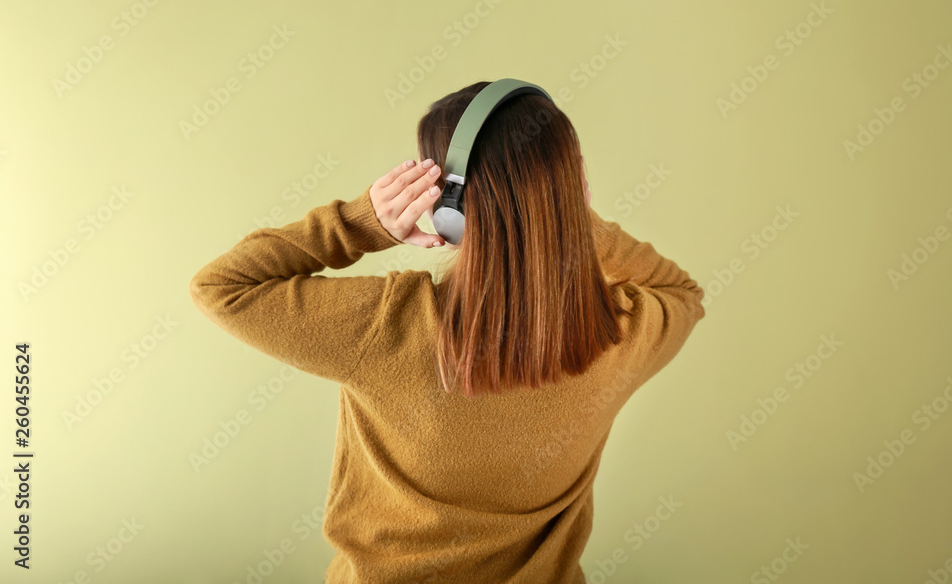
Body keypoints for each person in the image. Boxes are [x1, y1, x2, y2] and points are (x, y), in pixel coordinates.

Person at [189, 80, 706, 583]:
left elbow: (222, 287)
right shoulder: (622, 332)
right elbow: (682, 293)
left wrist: (362, 222)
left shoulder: (389, 323)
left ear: (448, 209)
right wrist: (562, 213)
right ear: (576, 185)